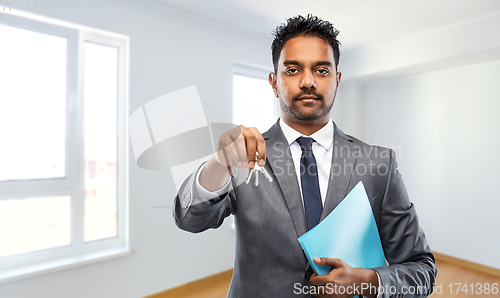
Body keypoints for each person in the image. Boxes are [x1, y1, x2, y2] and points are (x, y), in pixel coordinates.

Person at [173, 14, 437, 298]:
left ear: (337, 80)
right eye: (293, 70)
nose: (308, 81)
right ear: (274, 82)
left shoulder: (378, 164)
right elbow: (190, 220)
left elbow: (422, 270)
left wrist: (369, 281)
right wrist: (218, 164)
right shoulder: (242, 156)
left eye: (321, 70)